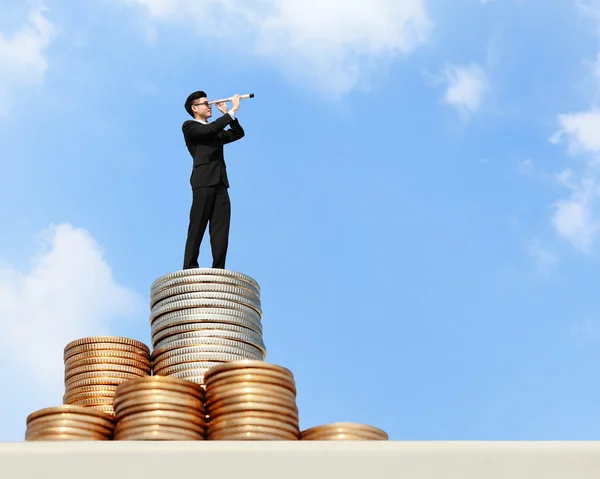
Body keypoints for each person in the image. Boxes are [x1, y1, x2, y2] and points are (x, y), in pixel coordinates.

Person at [181, 91, 245, 270]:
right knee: (198, 225)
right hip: (203, 181)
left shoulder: (214, 130)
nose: (209, 106)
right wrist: (233, 110)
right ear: (194, 108)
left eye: (209, 103)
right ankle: (189, 267)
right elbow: (209, 130)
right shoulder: (190, 126)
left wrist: (227, 114)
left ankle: (219, 268)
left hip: (221, 183)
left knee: (221, 229)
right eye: (204, 103)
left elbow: (238, 133)